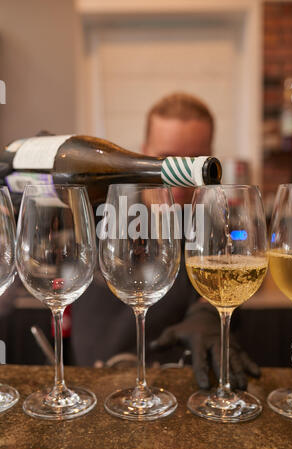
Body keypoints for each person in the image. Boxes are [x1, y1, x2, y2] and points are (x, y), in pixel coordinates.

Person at [71, 92, 260, 390]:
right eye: (166, 160)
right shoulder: (99, 207)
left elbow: (236, 276)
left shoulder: (216, 220)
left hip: (179, 388)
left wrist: (207, 311)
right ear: (143, 153)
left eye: (193, 161)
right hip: (96, 385)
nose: (181, 178)